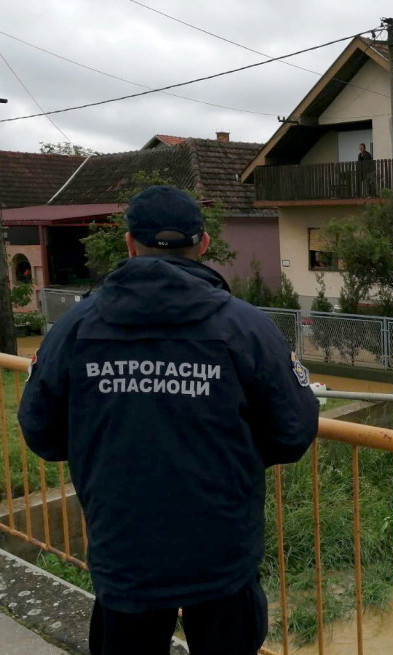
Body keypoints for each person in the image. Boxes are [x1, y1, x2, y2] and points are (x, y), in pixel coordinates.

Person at [18, 185, 320, 655]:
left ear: (128, 243)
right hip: (221, 555)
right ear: (202, 243)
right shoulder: (246, 327)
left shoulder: (74, 330)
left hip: (124, 555)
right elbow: (293, 433)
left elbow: (42, 434)